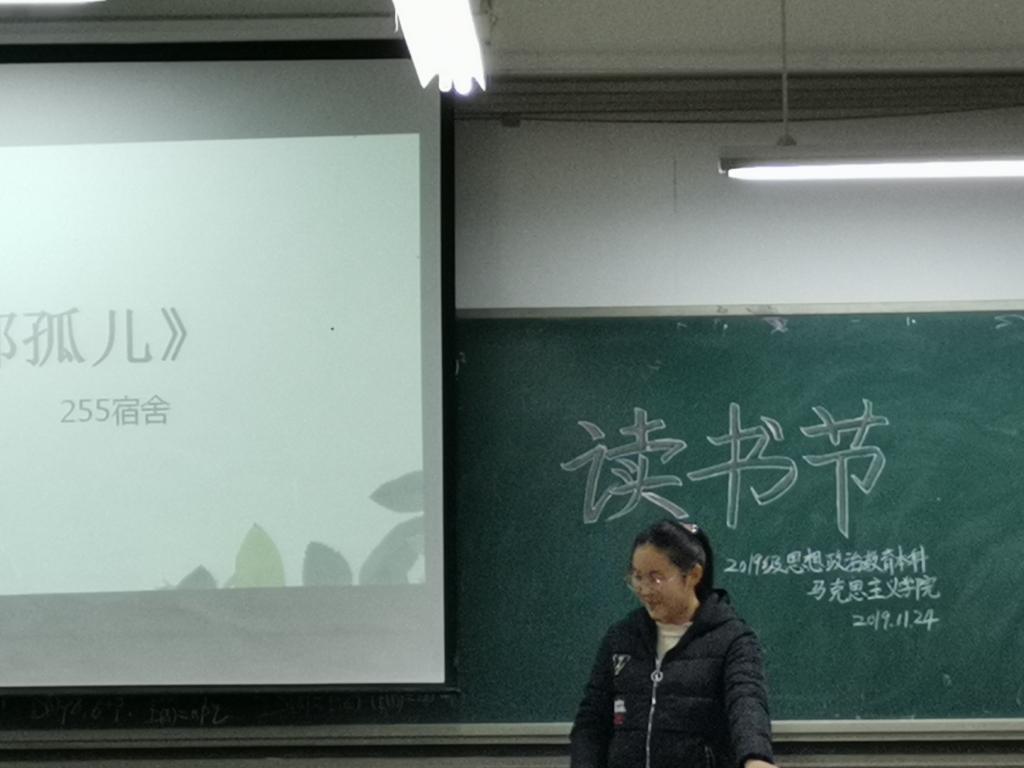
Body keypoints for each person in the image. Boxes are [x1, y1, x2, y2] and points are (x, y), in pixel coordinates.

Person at [570, 519, 777, 768]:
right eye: (637, 577)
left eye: (655, 578)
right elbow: (591, 723)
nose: (644, 589)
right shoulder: (622, 637)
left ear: (693, 575)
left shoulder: (732, 639)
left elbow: (746, 702)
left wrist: (755, 757)